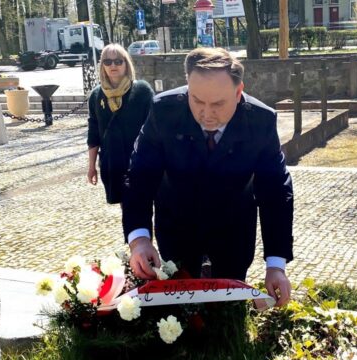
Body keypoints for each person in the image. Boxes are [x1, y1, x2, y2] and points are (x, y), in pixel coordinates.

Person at [122, 48, 294, 307]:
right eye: (197, 100)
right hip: (176, 225)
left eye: (218, 104)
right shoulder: (164, 111)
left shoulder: (260, 121)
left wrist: (276, 265)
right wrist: (139, 240)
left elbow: (276, 192)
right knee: (178, 312)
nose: (206, 113)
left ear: (238, 93)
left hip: (233, 228)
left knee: (229, 311)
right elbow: (140, 176)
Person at [87, 43, 154, 204]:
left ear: (126, 63)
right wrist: (91, 166)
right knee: (126, 208)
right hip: (113, 162)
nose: (113, 66)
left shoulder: (142, 91)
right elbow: (94, 134)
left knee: (144, 205)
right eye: (108, 62)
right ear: (102, 65)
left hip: (140, 161)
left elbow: (154, 127)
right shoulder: (96, 95)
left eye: (118, 61)